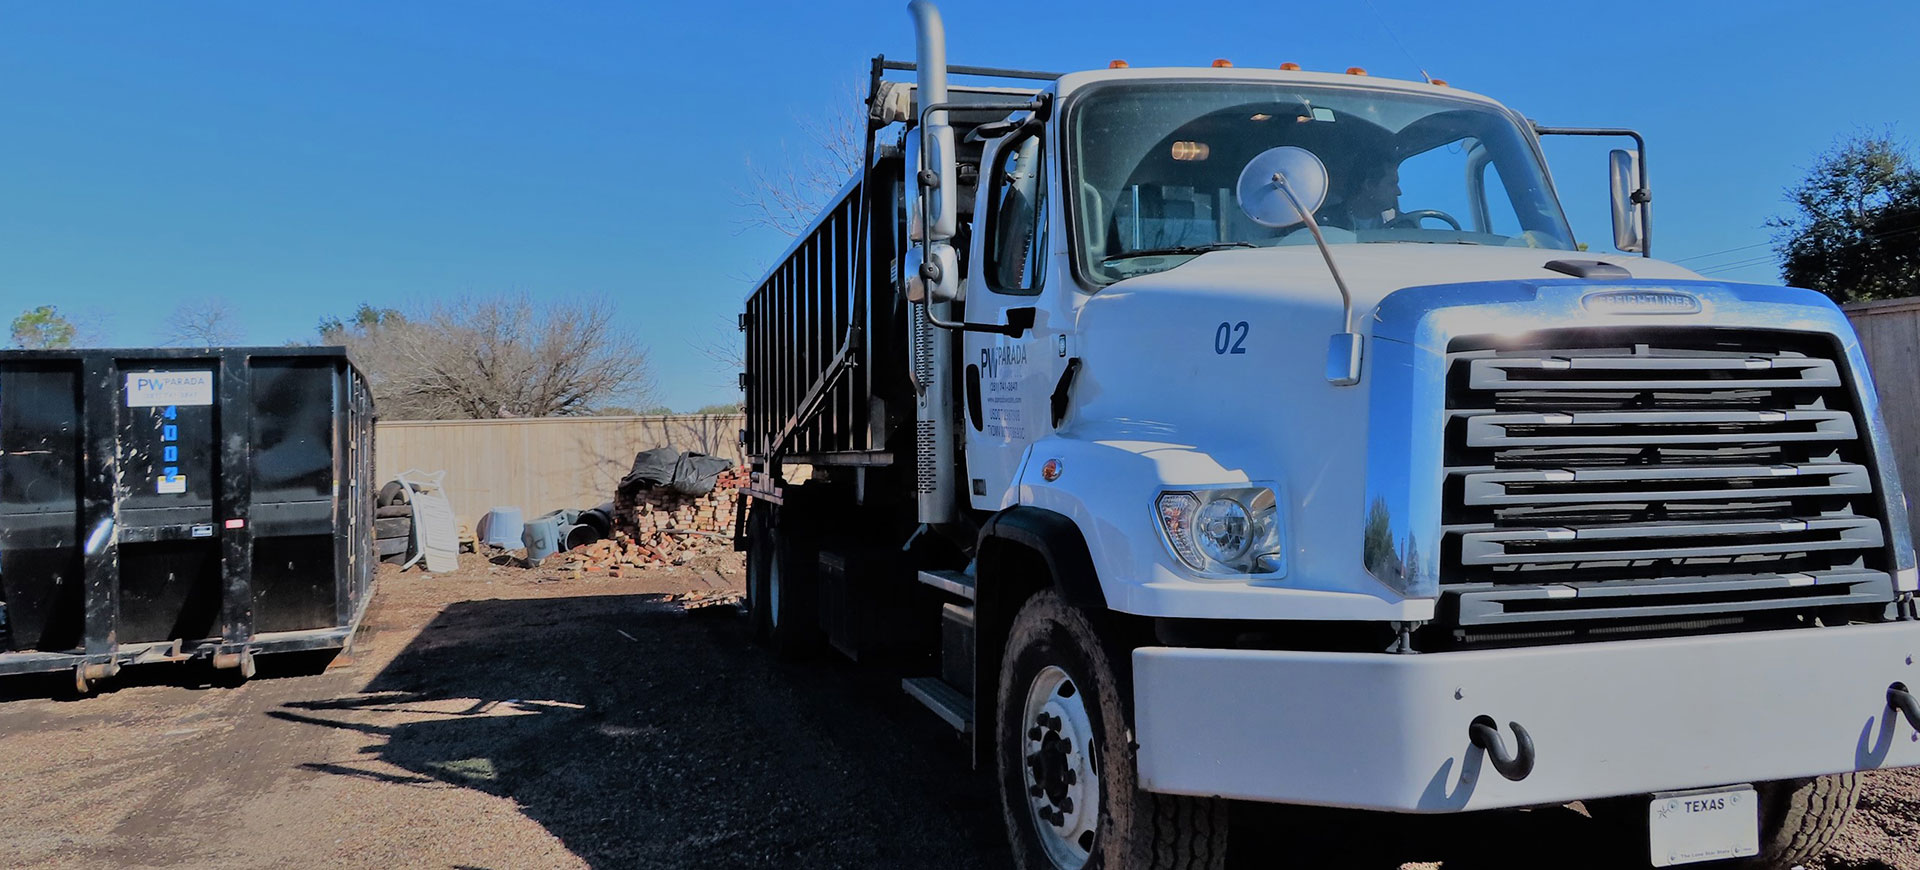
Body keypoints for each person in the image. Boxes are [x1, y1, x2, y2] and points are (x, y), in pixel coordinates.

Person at [1321, 156, 1402, 231]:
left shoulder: (1398, 225)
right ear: (1369, 185)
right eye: (1392, 184)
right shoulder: (1324, 223)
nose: (1399, 192)